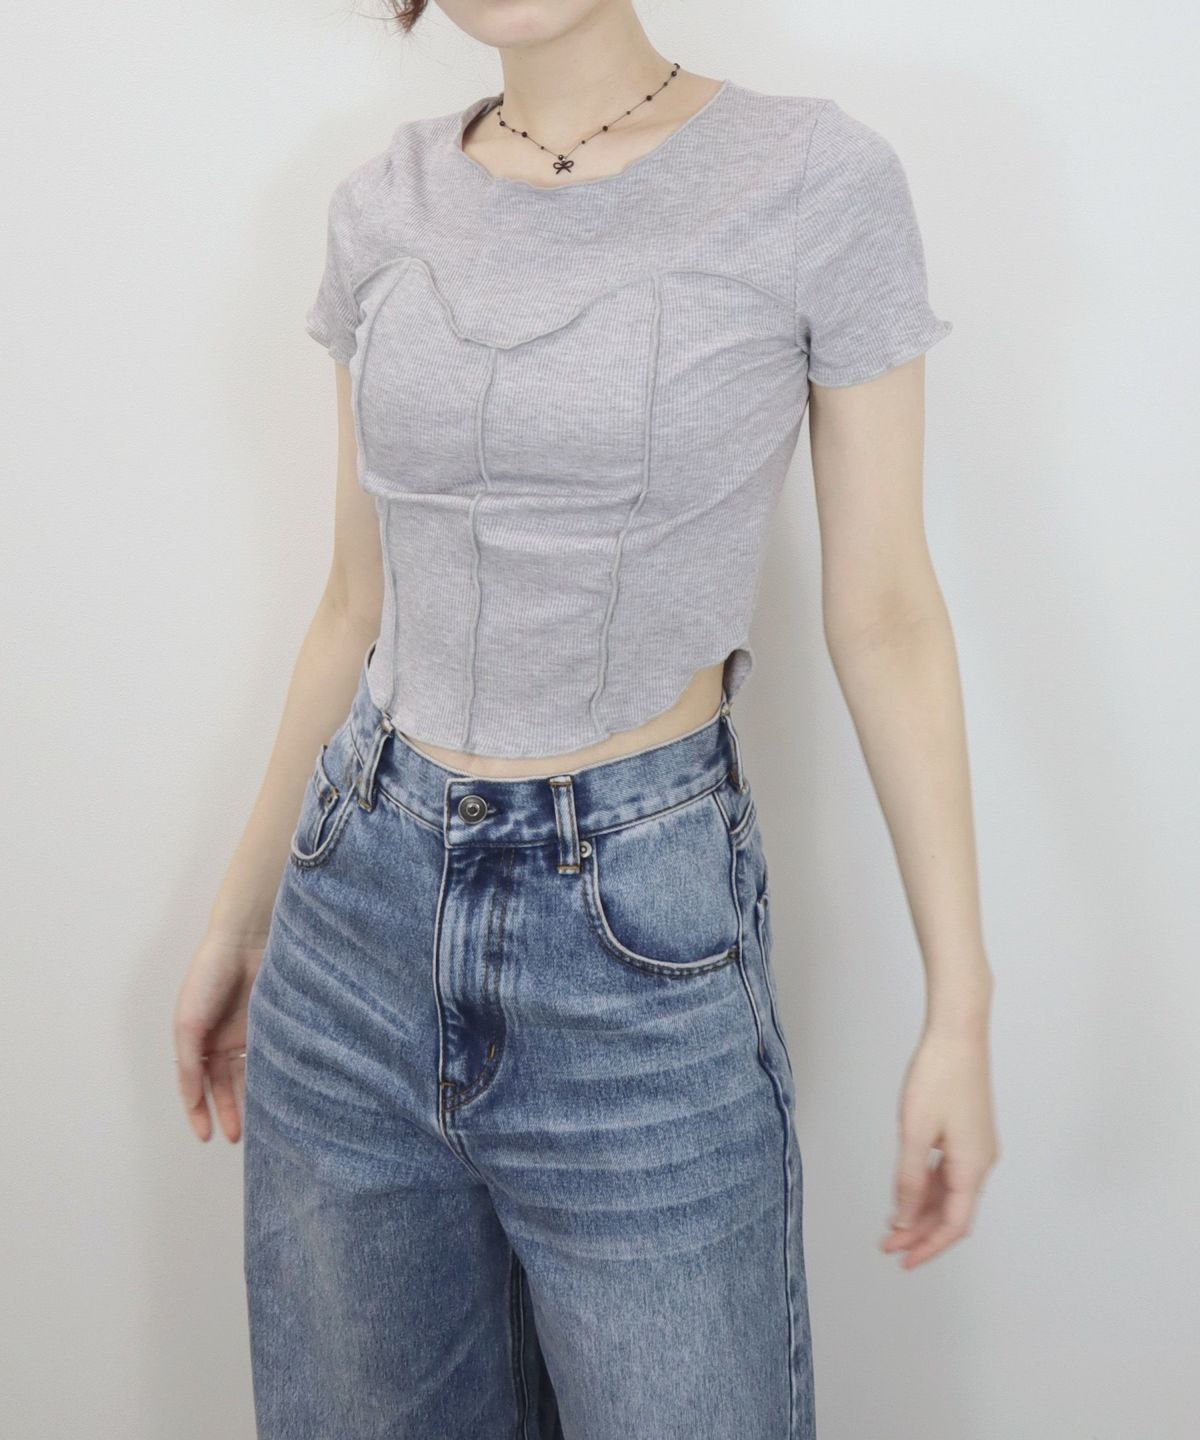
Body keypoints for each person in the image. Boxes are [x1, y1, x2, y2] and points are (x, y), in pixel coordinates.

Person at [172, 2, 999, 1435]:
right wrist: (238, 925)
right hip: (352, 927)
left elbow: (886, 617)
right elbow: (353, 603)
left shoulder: (813, 179)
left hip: (638, 939)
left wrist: (960, 1010)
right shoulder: (382, 201)